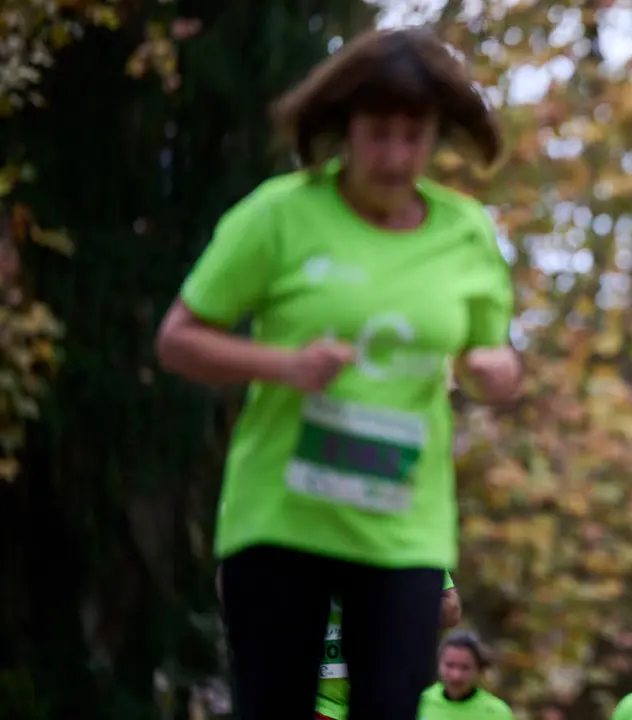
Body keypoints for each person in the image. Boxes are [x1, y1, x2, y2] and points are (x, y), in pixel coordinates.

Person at [155, 25, 519, 720]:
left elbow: (490, 354)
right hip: (283, 515)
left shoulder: (466, 233)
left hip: (403, 523)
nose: (395, 156)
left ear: (438, 135)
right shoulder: (280, 216)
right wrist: (285, 365)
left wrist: (492, 369)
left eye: (414, 137)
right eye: (378, 134)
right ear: (344, 126)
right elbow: (179, 340)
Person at [316, 573, 464, 720]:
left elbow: (452, 610)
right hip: (322, 704)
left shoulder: (406, 559)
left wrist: (396, 600)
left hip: (387, 696)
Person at [416, 630, 514, 719]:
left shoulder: (496, 712)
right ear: (438, 664)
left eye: (465, 668)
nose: (456, 676)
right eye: (450, 665)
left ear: (479, 669)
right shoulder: (421, 702)